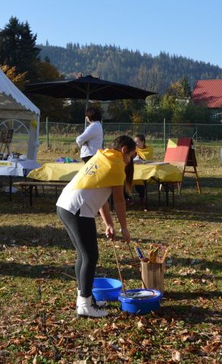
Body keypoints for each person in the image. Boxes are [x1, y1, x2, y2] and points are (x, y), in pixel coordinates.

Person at [56, 135, 136, 317]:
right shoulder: (116, 165)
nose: (129, 161)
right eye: (130, 156)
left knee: (83, 256)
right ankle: (85, 306)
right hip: (77, 209)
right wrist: (124, 228)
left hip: (65, 204)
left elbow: (101, 198)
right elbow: (119, 200)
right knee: (90, 256)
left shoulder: (103, 157)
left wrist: (109, 223)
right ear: (124, 150)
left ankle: (85, 297)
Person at [133, 134, 153, 205]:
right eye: (134, 142)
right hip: (134, 170)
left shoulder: (149, 149)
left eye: (137, 142)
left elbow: (147, 159)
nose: (135, 144)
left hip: (146, 171)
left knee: (139, 181)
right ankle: (127, 198)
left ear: (143, 142)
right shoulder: (133, 150)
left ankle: (142, 198)